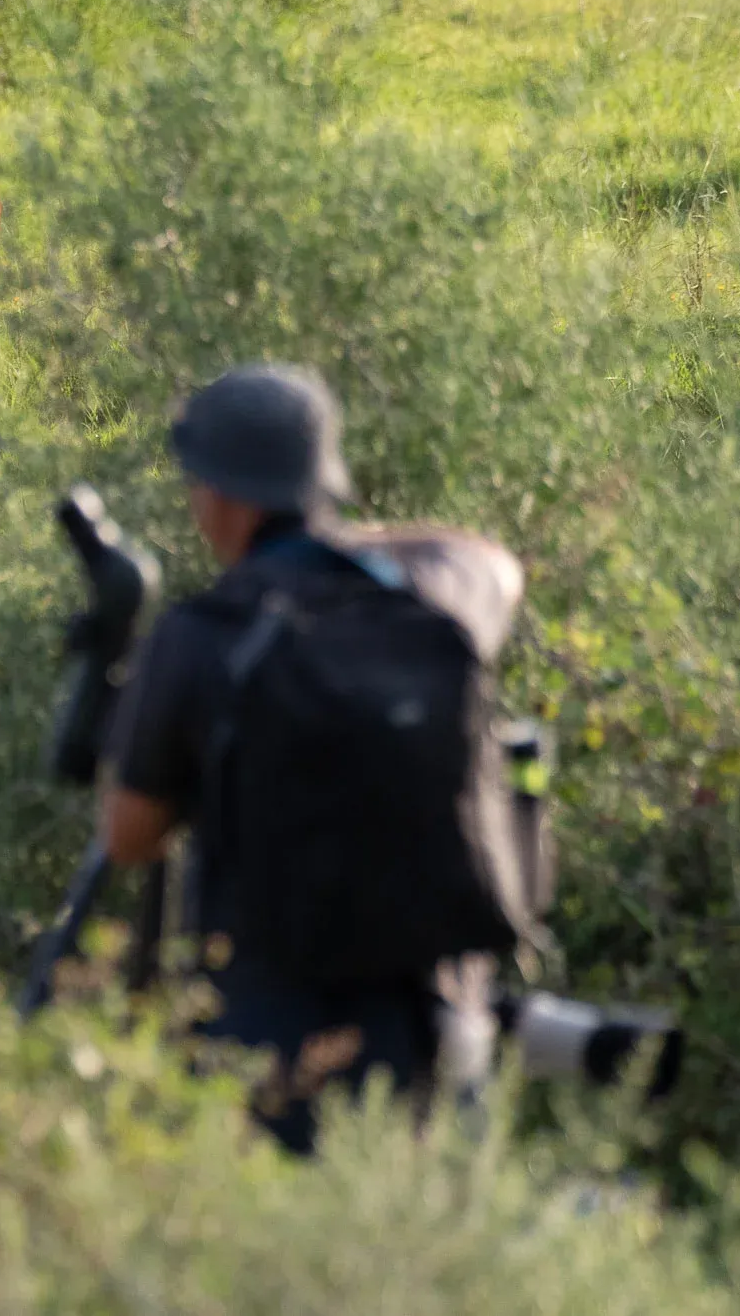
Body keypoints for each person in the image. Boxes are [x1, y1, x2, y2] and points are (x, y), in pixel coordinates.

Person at [96, 363, 533, 1153]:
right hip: (429, 1020)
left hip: (272, 1038)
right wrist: (331, 544)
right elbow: (495, 563)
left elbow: (128, 839)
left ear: (222, 495)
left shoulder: (201, 635)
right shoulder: (434, 604)